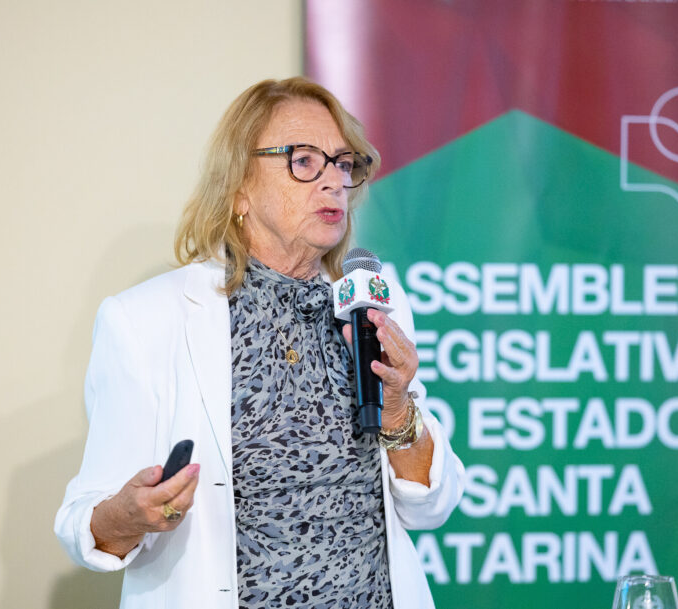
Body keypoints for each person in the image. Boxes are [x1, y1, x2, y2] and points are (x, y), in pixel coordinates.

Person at [55, 77, 465, 609]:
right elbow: (85, 523)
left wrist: (398, 412)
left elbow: (430, 508)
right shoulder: (145, 320)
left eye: (343, 163)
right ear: (239, 188)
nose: (334, 182)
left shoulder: (375, 304)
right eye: (304, 160)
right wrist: (128, 516)